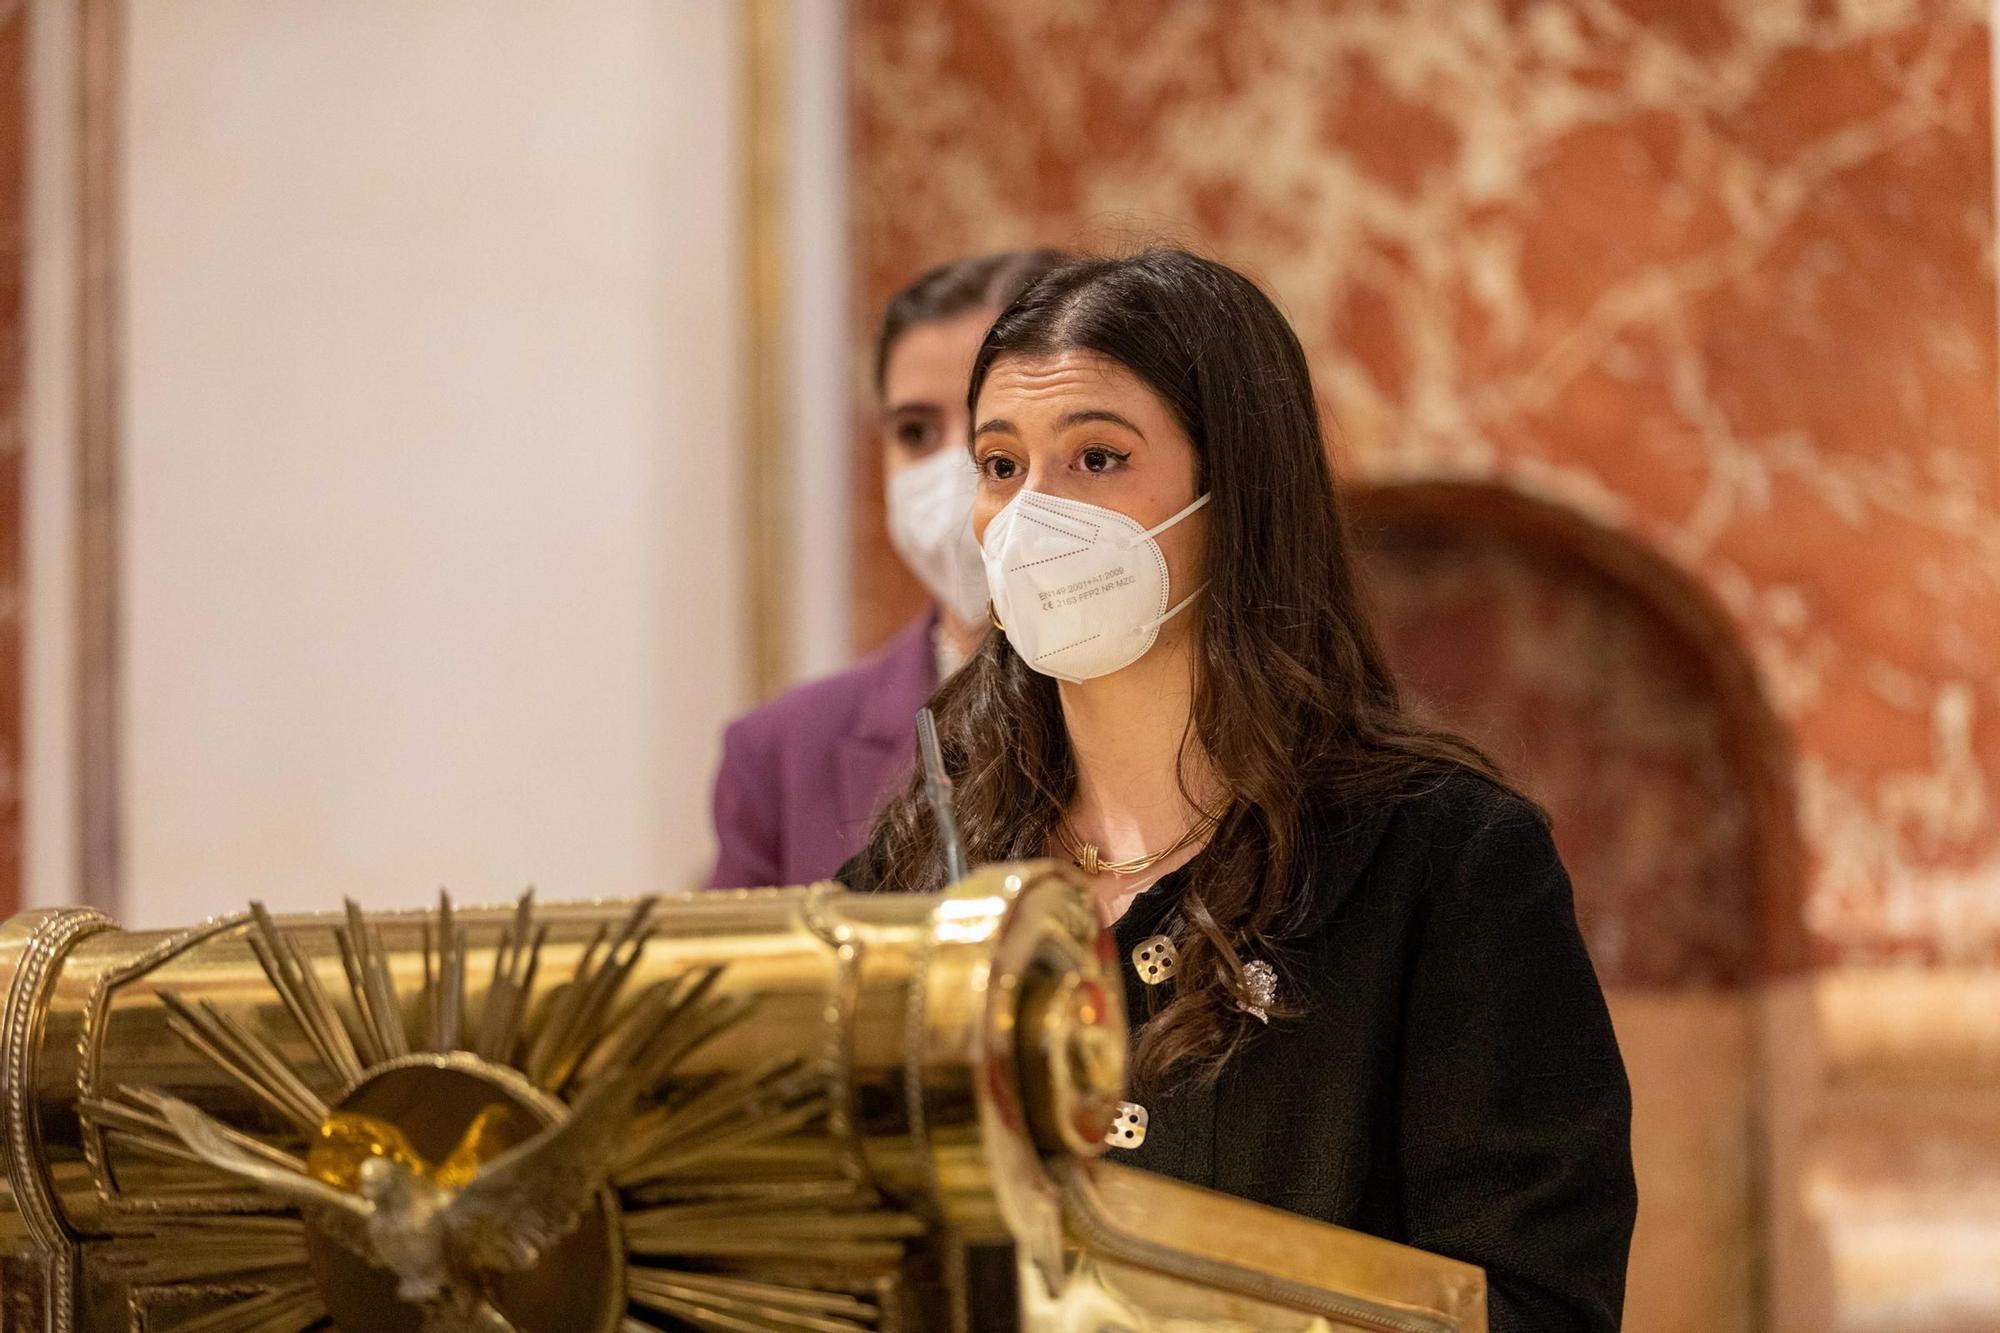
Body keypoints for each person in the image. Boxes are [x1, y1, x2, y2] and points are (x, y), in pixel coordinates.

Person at [840, 251, 1637, 1331]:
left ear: (1238, 493)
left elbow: (1532, 1302)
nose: (1033, 514)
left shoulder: (1442, 866)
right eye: (998, 464)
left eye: (1097, 457)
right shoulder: (914, 869)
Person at [708, 249, 1067, 889]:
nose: (962, 471)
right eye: (917, 432)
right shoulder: (781, 754)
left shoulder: (1215, 717)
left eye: (994, 432)